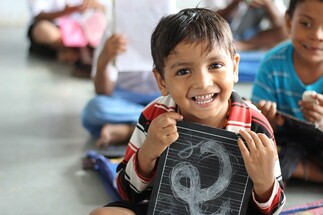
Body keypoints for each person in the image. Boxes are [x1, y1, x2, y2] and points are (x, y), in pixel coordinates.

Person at [89, 8, 286, 215]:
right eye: (183, 71)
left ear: (234, 68)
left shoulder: (255, 125)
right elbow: (126, 192)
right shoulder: (154, 117)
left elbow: (274, 208)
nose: (202, 82)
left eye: (215, 65)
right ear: (161, 81)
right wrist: (148, 153)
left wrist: (264, 183)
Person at [81, 0, 175, 147]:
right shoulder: (113, 31)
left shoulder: (177, 29)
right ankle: (151, 123)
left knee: (190, 109)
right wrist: (104, 60)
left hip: (164, 98)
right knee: (95, 109)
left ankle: (129, 130)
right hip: (124, 99)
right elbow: (103, 91)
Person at [251, 0, 323, 184]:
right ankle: (310, 171)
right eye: (306, 24)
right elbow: (256, 124)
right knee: (256, 155)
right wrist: (269, 121)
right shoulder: (272, 64)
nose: (316, 35)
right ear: (289, 22)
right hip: (285, 141)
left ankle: (303, 168)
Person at [27, 0, 106, 65]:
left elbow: (104, 9)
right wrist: (66, 11)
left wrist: (94, 4)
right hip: (56, 29)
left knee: (101, 22)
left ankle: (73, 53)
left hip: (81, 29)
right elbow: (38, 15)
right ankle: (77, 52)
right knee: (43, 29)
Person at [199, 0, 288, 51]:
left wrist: (267, 3)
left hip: (252, 37)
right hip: (222, 33)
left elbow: (279, 23)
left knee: (286, 31)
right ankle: (232, 44)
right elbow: (211, 19)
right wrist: (236, 2)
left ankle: (241, 46)